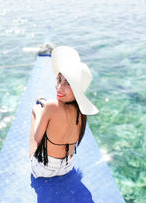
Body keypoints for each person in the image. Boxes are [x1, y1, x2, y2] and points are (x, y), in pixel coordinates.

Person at [30, 46, 99, 178]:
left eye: (68, 84)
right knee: (44, 109)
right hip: (67, 167)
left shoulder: (51, 107)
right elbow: (61, 114)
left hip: (44, 169)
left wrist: (40, 112)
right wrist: (48, 106)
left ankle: (37, 112)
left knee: (35, 110)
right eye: (59, 79)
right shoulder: (81, 112)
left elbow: (37, 139)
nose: (60, 87)